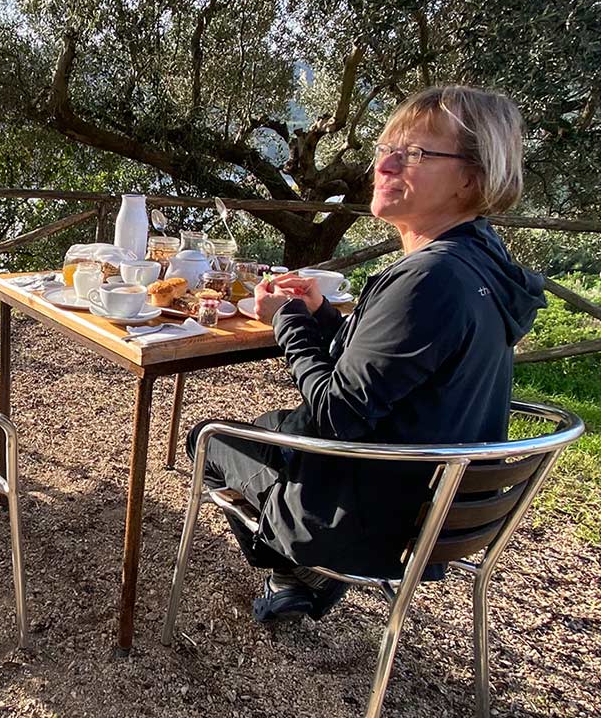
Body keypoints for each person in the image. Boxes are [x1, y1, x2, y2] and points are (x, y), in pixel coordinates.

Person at [186, 85, 547, 624]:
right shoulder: (480, 266)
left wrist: (286, 319)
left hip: (363, 516)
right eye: (385, 148)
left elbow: (335, 415)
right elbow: (402, 372)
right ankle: (300, 575)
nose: (387, 163)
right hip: (425, 499)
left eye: (417, 153)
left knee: (206, 438)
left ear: (473, 177)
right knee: (266, 425)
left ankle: (301, 569)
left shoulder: (430, 279)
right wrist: (325, 316)